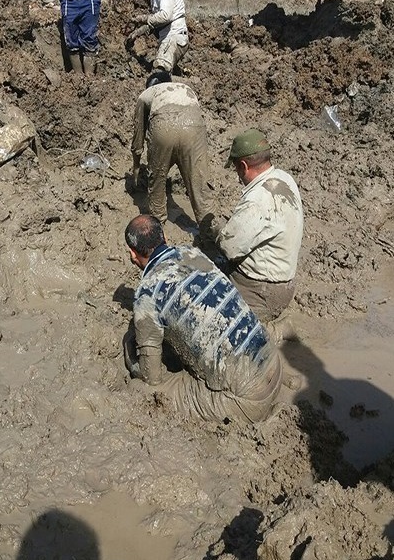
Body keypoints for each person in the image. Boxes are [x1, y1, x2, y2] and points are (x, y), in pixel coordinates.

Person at [123, 214, 283, 424]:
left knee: (144, 391)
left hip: (245, 402)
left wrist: (130, 356)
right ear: (165, 238)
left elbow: (151, 377)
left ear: (133, 254)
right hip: (274, 366)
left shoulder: (147, 294)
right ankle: (282, 331)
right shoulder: (192, 253)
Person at [216, 129, 304, 325]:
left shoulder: (257, 201)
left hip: (261, 291)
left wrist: (217, 232)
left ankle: (272, 330)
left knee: (213, 318)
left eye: (237, 169)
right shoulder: (284, 178)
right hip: (285, 283)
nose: (238, 175)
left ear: (243, 166)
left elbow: (229, 247)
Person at [130, 71, 214, 239]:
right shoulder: (185, 88)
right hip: (193, 128)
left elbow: (138, 137)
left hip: (163, 128)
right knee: (199, 183)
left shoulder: (146, 94)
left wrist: (136, 166)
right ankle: (209, 231)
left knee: (157, 180)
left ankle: (158, 229)